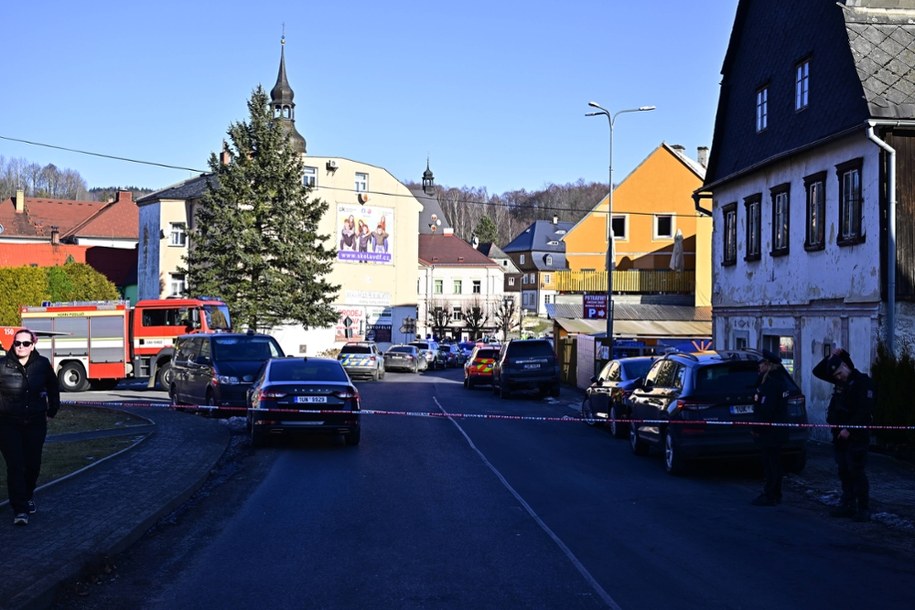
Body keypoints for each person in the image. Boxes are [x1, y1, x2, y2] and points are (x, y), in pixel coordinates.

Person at [0, 329, 61, 526]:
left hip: (35, 423)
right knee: (16, 465)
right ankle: (20, 509)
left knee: (32, 465)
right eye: (18, 343)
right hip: (8, 424)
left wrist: (52, 409)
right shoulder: (2, 365)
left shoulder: (42, 364)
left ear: (33, 345)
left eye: (26, 343)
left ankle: (26, 497)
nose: (21, 347)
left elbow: (53, 386)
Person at [812, 347, 875, 522]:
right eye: (836, 376)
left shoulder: (863, 382)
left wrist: (850, 429)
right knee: (843, 471)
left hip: (856, 436)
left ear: (846, 367)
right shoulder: (841, 382)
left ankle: (863, 508)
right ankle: (848, 503)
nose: (838, 378)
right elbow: (817, 372)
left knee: (856, 471)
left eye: (840, 373)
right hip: (839, 435)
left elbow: (864, 410)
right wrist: (831, 357)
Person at [751, 349, 789, 506]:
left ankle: (771, 493)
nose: (759, 367)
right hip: (776, 430)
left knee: (771, 464)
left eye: (761, 364)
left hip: (770, 431)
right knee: (774, 463)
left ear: (768, 365)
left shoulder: (772, 384)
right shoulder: (778, 380)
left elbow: (766, 409)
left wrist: (757, 428)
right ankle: (774, 493)